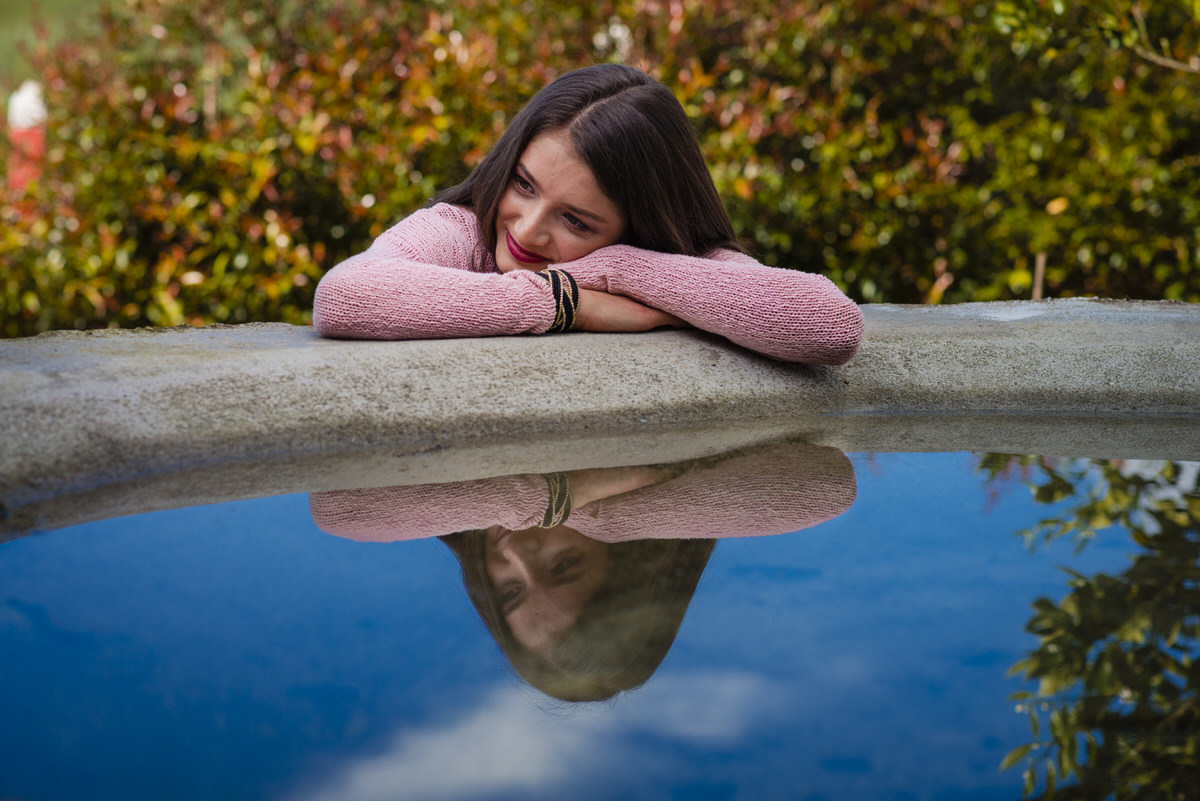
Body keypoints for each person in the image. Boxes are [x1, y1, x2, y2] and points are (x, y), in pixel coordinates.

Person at [312, 64, 864, 365]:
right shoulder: (467, 228)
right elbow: (345, 296)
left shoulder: (670, 262)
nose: (526, 229)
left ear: (639, 224)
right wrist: (565, 302)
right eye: (524, 184)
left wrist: (620, 269)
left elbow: (828, 326)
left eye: (576, 220)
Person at [310, 439, 857, 700]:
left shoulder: (457, 512)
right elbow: (830, 483)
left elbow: (333, 505)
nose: (513, 554)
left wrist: (553, 495)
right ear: (630, 556)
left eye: (509, 593)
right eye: (563, 565)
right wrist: (608, 508)